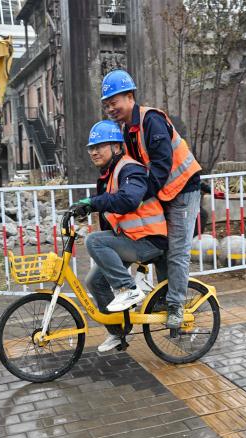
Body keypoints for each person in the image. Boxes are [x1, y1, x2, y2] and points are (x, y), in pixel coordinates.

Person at [100, 69, 202, 330]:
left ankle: (176, 306)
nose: (111, 108)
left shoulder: (151, 120)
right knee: (162, 248)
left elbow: (161, 166)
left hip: (183, 188)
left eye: (114, 102)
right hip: (163, 192)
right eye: (107, 105)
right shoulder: (126, 130)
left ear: (130, 96)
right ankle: (163, 297)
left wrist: (136, 196)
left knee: (178, 250)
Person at [71, 120, 168, 352]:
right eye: (91, 147)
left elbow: (129, 200)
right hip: (131, 239)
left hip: (149, 240)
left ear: (116, 147)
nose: (94, 151)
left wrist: (92, 203)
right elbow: (110, 214)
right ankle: (119, 333)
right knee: (95, 282)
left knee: (94, 240)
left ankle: (128, 289)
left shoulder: (130, 169)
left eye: (100, 146)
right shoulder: (109, 174)